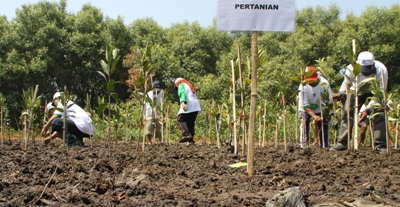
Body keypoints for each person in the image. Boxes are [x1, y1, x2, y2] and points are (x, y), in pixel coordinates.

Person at [332, 51, 388, 153]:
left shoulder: (382, 70)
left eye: (366, 70)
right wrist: (341, 94)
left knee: (379, 113)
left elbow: (380, 93)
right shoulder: (351, 68)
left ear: (372, 65)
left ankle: (380, 145)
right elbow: (346, 84)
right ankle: (342, 143)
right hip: (357, 89)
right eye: (361, 69)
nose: (363, 72)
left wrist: (368, 109)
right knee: (347, 111)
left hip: (375, 91)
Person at [298, 66, 332, 148]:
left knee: (324, 125)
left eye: (312, 80)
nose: (310, 83)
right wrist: (314, 116)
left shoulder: (324, 83)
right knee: (304, 122)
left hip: (320, 107)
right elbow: (305, 105)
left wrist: (328, 113)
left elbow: (329, 99)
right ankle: (304, 144)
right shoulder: (302, 86)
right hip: (306, 108)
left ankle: (324, 145)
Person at [175, 78, 201, 143]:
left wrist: (183, 102)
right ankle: (191, 139)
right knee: (190, 123)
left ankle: (186, 134)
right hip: (195, 106)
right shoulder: (189, 86)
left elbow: (182, 93)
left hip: (188, 104)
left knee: (180, 120)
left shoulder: (181, 84)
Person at [143, 80, 163, 144]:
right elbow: (153, 106)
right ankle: (149, 141)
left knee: (158, 126)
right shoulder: (150, 94)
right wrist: (157, 116)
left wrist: (162, 113)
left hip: (158, 111)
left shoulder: (161, 93)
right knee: (149, 127)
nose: (157, 92)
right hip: (149, 111)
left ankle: (161, 141)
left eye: (158, 90)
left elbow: (162, 103)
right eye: (156, 90)